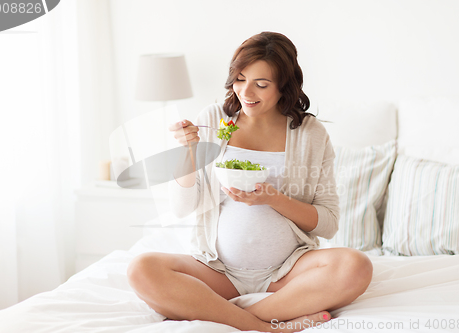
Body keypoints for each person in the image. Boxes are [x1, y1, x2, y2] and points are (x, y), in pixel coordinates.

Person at [127, 32, 373, 333]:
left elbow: (328, 224)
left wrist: (274, 199)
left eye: (261, 84)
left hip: (287, 274)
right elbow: (182, 208)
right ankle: (270, 327)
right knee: (142, 269)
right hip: (217, 270)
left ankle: (227, 314)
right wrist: (187, 151)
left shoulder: (310, 133)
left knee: (356, 266)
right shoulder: (215, 119)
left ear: (284, 85)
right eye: (240, 79)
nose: (246, 92)